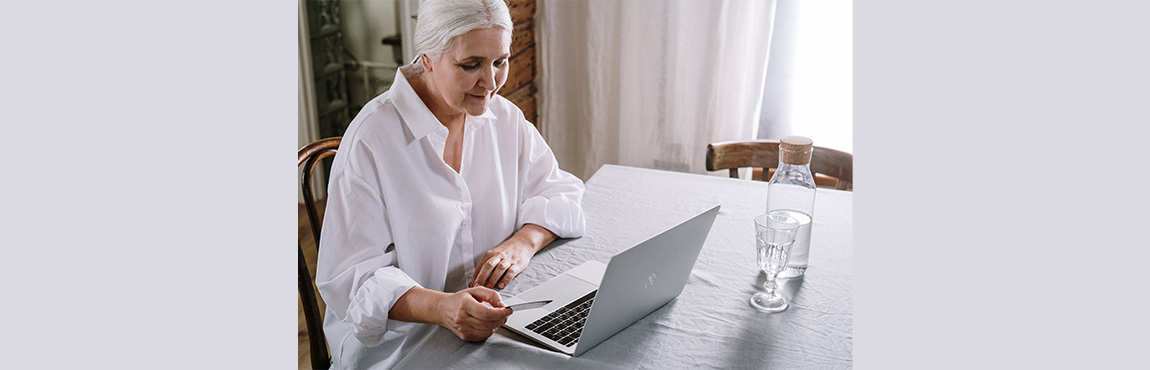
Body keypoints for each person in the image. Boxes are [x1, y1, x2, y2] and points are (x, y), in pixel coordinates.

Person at [314, 0, 586, 368]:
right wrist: (443, 308)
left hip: (491, 330)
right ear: (426, 57)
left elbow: (560, 191)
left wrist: (521, 244)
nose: (490, 83)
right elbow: (353, 281)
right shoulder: (371, 140)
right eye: (470, 64)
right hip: (399, 348)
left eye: (500, 61)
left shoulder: (505, 119)